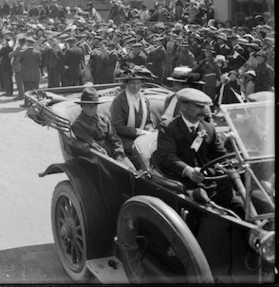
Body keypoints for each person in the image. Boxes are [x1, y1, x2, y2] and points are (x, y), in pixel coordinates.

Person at [152, 88, 244, 217]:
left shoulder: (209, 127)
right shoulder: (169, 127)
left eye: (205, 107)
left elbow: (220, 154)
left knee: (241, 206)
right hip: (183, 182)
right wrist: (189, 171)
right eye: (199, 106)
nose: (204, 110)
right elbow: (167, 157)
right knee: (205, 213)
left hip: (210, 181)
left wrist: (233, 162)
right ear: (183, 107)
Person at [70, 86, 135, 169]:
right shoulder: (78, 125)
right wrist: (110, 160)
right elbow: (93, 145)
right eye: (88, 105)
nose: (91, 108)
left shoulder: (103, 119)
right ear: (82, 106)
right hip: (98, 158)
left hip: (115, 154)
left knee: (133, 171)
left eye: (94, 105)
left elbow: (115, 138)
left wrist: (118, 154)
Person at [109, 67, 155, 166]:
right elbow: (117, 127)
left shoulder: (145, 100)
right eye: (133, 83)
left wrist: (150, 131)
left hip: (143, 136)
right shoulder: (118, 101)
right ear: (127, 84)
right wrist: (140, 132)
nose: (136, 87)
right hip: (124, 139)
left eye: (138, 83)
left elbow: (148, 121)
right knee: (141, 150)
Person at [19, 37, 42, 106]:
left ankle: (27, 103)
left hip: (26, 73)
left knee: (27, 89)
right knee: (35, 89)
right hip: (36, 73)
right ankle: (35, 103)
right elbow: (40, 62)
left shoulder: (23, 53)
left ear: (27, 43)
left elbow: (19, 61)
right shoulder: (38, 52)